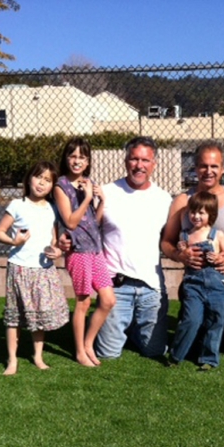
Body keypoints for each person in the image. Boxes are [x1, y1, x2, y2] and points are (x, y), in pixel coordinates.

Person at [161, 142, 224, 358]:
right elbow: (166, 242)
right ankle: (207, 330)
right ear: (195, 168)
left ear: (223, 168)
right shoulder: (183, 201)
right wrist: (181, 255)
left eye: (214, 166)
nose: (208, 171)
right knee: (192, 348)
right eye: (203, 166)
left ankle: (223, 329)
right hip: (196, 286)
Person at [92, 136, 173, 359]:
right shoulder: (107, 193)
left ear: (154, 164)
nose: (139, 165)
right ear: (126, 161)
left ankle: (133, 328)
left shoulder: (164, 199)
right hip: (116, 286)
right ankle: (113, 324)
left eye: (145, 160)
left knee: (154, 351)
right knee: (108, 354)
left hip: (151, 287)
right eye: (134, 159)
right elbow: (88, 231)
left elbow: (170, 241)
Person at [0, 161, 69, 375]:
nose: (41, 183)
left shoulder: (53, 208)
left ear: (52, 185)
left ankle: (38, 356)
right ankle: (12, 360)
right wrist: (13, 242)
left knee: (40, 315)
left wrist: (57, 251)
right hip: (19, 268)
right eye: (38, 177)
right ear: (29, 178)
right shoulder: (17, 204)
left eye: (47, 180)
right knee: (14, 316)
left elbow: (54, 240)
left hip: (43, 269)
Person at [54, 137, 115, 367]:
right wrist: (87, 197)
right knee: (83, 302)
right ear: (66, 158)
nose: (76, 161)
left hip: (95, 249)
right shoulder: (62, 186)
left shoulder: (87, 182)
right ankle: (80, 351)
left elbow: (94, 222)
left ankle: (88, 343)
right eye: (72, 156)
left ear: (88, 160)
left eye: (81, 157)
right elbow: (70, 222)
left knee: (108, 300)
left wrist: (100, 200)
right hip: (78, 251)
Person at [169, 191, 224, 371]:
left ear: (211, 214)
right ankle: (176, 354)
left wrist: (218, 257)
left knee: (215, 321)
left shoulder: (217, 235)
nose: (196, 216)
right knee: (191, 319)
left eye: (201, 213)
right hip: (193, 284)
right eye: (193, 212)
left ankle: (208, 359)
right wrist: (181, 248)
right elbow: (182, 252)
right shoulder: (185, 235)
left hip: (216, 285)